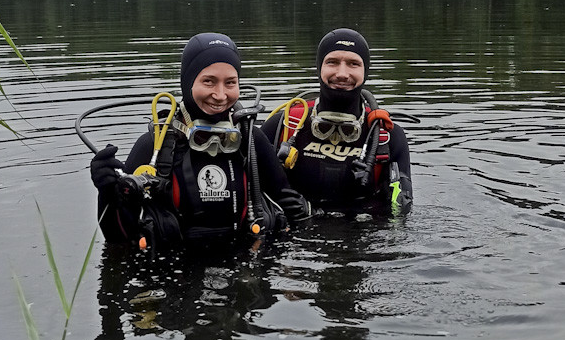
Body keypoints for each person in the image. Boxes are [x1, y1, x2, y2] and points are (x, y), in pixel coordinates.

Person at [89, 32, 310, 254]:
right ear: (188, 82)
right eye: (209, 81)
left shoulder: (252, 140)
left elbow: (289, 208)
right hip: (173, 273)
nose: (221, 95)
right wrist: (106, 190)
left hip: (244, 263)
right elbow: (118, 238)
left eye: (230, 83)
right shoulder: (155, 145)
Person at [261, 28, 413, 213]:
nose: (342, 73)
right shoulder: (282, 127)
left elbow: (401, 214)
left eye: (353, 64)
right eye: (332, 62)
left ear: (365, 70)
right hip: (294, 231)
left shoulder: (387, 137)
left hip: (363, 236)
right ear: (319, 67)